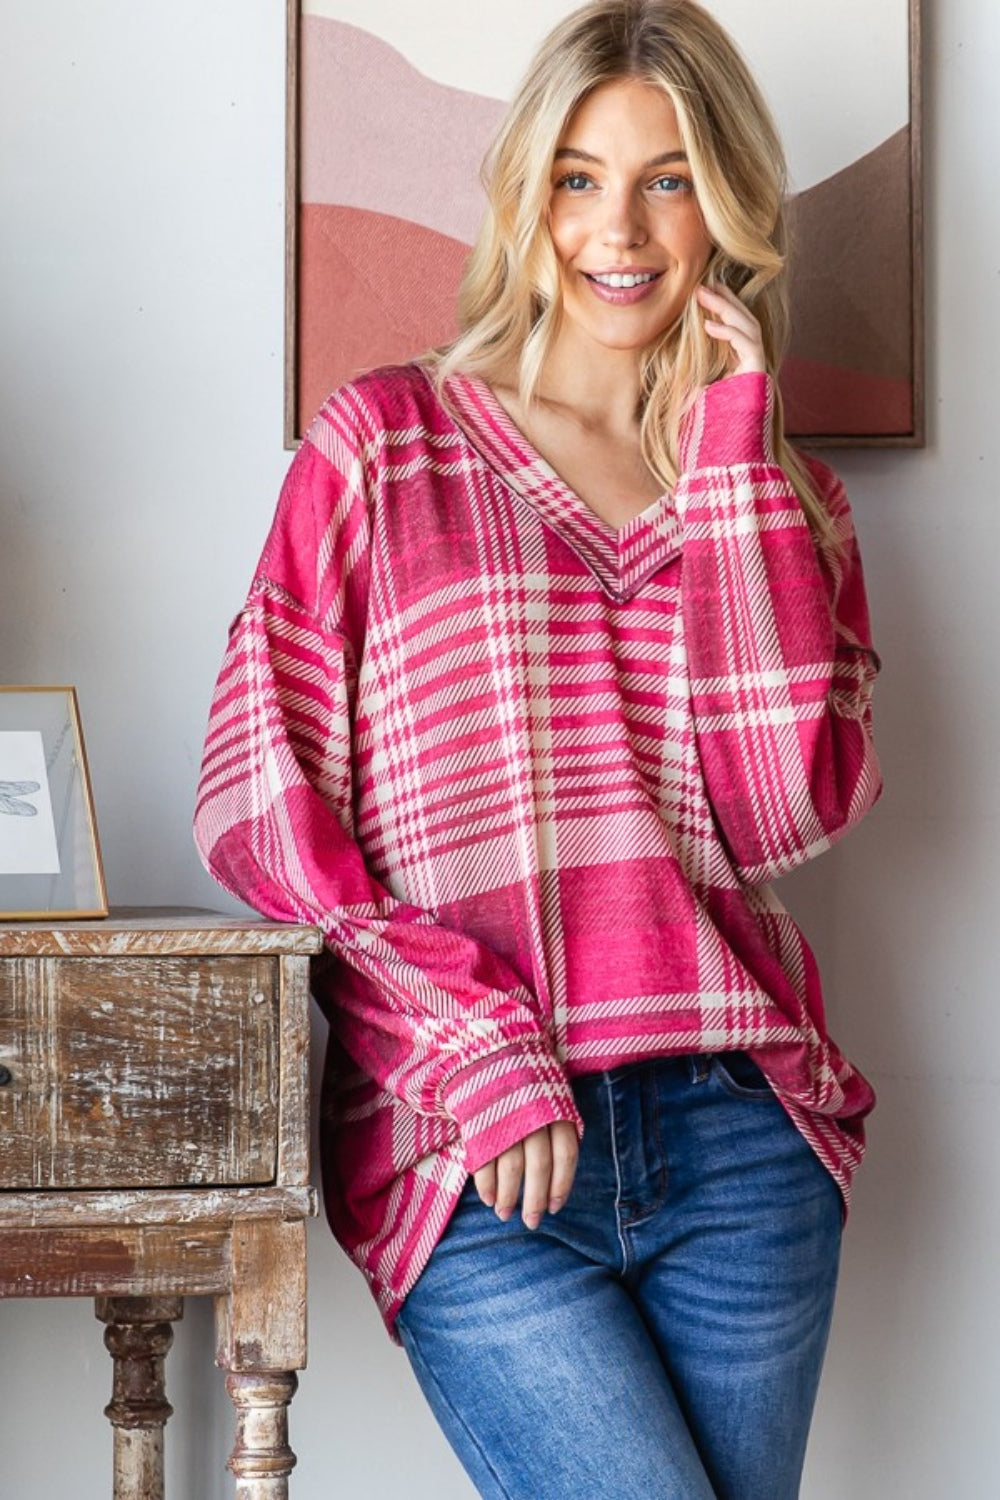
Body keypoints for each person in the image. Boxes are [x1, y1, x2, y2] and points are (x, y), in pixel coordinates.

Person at [194, 2, 882, 1494]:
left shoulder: (786, 499)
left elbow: (777, 814)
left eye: (669, 177)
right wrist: (472, 1042)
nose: (617, 227)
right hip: (480, 1149)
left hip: (740, 1136)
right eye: (579, 176)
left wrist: (733, 451)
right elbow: (260, 800)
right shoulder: (384, 447)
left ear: (729, 206)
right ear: (527, 194)